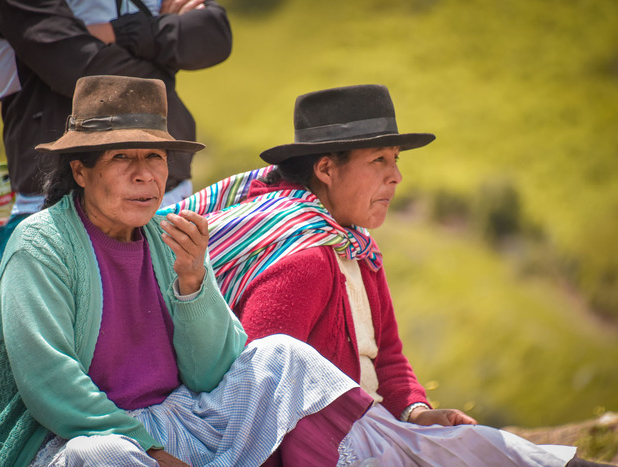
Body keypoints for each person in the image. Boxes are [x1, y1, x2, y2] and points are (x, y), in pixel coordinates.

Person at [161, 84, 608, 466]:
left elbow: (388, 356)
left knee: (490, 448)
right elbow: (260, 394)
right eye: (379, 160)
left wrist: (415, 412)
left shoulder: (355, 247)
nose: (396, 176)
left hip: (376, 431)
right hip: (337, 445)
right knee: (496, 452)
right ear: (326, 169)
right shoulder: (303, 259)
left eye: (394, 160)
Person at [0, 75, 382, 467]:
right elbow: (51, 383)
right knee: (102, 457)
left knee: (284, 357)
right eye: (122, 157)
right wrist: (149, 452)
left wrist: (193, 285)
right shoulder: (42, 245)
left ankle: (397, 448)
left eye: (155, 156)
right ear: (80, 171)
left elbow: (213, 373)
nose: (144, 174)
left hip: (174, 421)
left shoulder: (166, 238)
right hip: (68, 439)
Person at [0, 0, 232, 260]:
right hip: (58, 211)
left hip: (170, 201)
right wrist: (163, 49)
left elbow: (215, 34)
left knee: (186, 295)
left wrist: (120, 33)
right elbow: (82, 69)